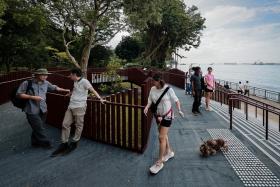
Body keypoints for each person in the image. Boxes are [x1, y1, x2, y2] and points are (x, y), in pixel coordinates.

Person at [51, 68, 106, 156]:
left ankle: (75, 142)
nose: (69, 76)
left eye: (71, 74)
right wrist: (69, 93)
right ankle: (64, 143)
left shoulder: (85, 81)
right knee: (65, 124)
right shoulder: (75, 81)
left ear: (75, 75)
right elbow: (75, 89)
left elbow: (92, 90)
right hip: (71, 106)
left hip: (80, 106)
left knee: (78, 125)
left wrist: (100, 98)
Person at [17, 68, 70, 148]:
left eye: (46, 75)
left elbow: (54, 87)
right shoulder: (27, 83)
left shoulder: (46, 83)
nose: (45, 77)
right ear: (37, 75)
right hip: (31, 109)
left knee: (38, 126)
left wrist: (65, 90)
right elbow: (19, 94)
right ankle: (46, 143)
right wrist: (33, 97)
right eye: (43, 75)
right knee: (39, 127)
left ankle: (35, 142)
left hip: (43, 109)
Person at [144, 74, 184, 174]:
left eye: (154, 81)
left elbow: (176, 100)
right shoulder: (153, 89)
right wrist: (147, 107)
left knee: (161, 137)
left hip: (167, 115)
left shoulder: (168, 89)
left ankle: (160, 161)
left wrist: (179, 110)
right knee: (164, 135)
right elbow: (150, 99)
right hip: (157, 116)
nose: (153, 83)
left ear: (159, 81)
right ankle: (169, 152)